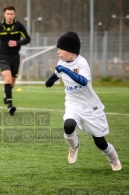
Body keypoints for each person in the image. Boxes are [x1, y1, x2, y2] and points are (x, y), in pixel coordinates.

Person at [45, 31, 122, 171]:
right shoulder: (61, 63)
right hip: (72, 104)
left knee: (100, 142)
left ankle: (114, 159)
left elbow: (83, 81)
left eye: (61, 49)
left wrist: (64, 70)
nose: (58, 52)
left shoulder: (82, 62)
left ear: (71, 50)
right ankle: (74, 146)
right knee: (68, 125)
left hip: (90, 106)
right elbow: (57, 73)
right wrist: (49, 80)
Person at [0, 5, 31, 115]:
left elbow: (27, 39)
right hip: (3, 56)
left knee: (12, 81)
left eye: (11, 14)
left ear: (14, 14)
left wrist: (17, 43)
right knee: (7, 78)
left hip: (15, 56)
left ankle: (6, 93)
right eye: (8, 14)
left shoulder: (19, 26)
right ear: (4, 14)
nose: (10, 16)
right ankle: (10, 105)